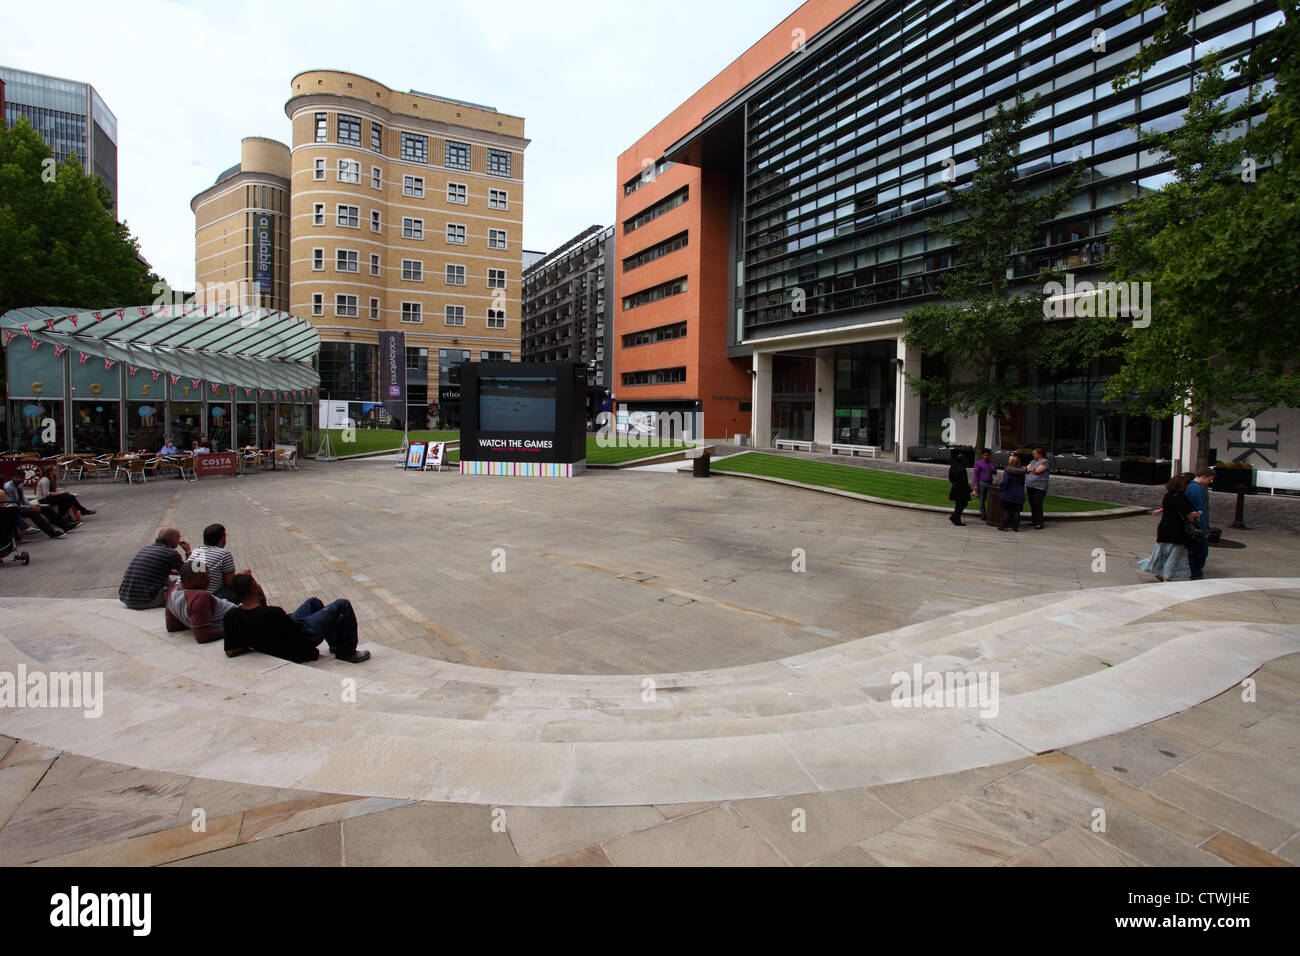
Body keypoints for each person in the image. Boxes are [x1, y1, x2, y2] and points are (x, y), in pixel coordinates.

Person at [223, 574, 371, 664]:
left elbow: (230, 651)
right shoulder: (273, 613)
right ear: (256, 587)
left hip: (283, 629)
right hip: (303, 634)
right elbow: (297, 639)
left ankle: (334, 644)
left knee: (313, 602)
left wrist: (251, 641)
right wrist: (312, 653)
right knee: (342, 604)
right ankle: (347, 653)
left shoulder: (231, 616)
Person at [1137, 474, 1201, 582]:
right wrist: (1195, 514)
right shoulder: (1180, 497)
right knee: (1174, 557)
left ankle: (1162, 572)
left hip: (1165, 529)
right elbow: (1186, 512)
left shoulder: (1168, 496)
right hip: (1177, 531)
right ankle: (1167, 577)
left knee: (1162, 553)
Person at [165, 557, 238, 644]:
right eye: (203, 577)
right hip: (237, 619)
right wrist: (234, 629)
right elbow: (202, 636)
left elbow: (172, 626)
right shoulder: (200, 597)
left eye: (208, 575)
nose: (209, 579)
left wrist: (194, 622)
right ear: (189, 581)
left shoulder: (172, 591)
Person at [119, 528, 192, 609]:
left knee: (166, 578)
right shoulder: (171, 553)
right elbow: (189, 573)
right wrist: (188, 552)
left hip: (126, 598)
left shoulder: (146, 549)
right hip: (144, 601)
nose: (179, 541)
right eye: (179, 538)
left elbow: (158, 570)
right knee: (189, 582)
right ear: (172, 539)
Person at [191, 523, 247, 601]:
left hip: (191, 595)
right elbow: (230, 582)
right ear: (222, 538)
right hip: (210, 597)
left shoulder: (196, 551)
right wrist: (241, 575)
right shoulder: (224, 554)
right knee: (244, 584)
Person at [3, 475, 68, 539]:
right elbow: (11, 503)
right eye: (17, 478)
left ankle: (65, 526)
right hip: (15, 508)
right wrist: (29, 507)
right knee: (34, 513)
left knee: (46, 509)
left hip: (21, 506)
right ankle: (51, 533)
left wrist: (30, 505)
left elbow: (23, 498)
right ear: (13, 477)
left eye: (21, 478)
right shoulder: (8, 487)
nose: (19, 480)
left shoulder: (19, 485)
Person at [1183, 469, 1213, 580]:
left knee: (1196, 551)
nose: (1211, 481)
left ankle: (1194, 572)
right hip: (1196, 525)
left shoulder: (1191, 487)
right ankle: (1195, 573)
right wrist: (1204, 528)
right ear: (1205, 476)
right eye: (1210, 479)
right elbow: (1199, 509)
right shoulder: (1196, 488)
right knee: (1200, 551)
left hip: (1193, 523)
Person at [998, 455, 1028, 532]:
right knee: (1017, 511)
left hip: (1009, 492)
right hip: (1019, 492)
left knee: (1006, 510)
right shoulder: (1022, 471)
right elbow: (1023, 482)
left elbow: (1005, 481)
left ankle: (1004, 526)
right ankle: (1016, 527)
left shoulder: (1008, 470)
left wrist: (1000, 485)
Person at [1025, 447, 1051, 529]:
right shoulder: (1033, 461)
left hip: (1040, 487)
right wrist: (1030, 469)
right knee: (1032, 503)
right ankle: (1034, 520)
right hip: (1030, 485)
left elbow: (1037, 471)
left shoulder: (1045, 462)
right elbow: (1027, 468)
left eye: (1035, 453)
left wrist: (1031, 470)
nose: (1034, 455)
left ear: (1040, 454)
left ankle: (1039, 522)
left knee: (1037, 503)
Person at [972, 449, 998, 521]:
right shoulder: (978, 463)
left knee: (990, 499)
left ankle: (990, 514)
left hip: (990, 482)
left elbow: (995, 473)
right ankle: (983, 514)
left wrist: (993, 469)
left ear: (990, 456)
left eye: (987, 455)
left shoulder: (992, 463)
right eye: (984, 455)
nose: (986, 456)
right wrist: (975, 485)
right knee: (982, 499)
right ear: (982, 455)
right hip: (982, 482)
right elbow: (976, 475)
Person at [947, 458, 972, 526]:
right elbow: (965, 481)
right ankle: (955, 517)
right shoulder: (962, 469)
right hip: (962, 489)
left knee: (958, 504)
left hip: (955, 487)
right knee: (963, 504)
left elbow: (950, 478)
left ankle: (956, 519)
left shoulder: (953, 467)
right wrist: (970, 490)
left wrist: (954, 483)